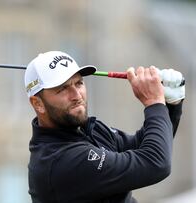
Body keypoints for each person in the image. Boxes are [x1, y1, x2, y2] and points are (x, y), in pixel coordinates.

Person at [24, 51, 184, 203]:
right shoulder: (59, 161)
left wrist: (170, 105)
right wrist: (154, 103)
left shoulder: (86, 128)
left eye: (79, 83)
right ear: (38, 104)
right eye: (62, 89)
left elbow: (142, 146)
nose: (77, 95)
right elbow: (155, 163)